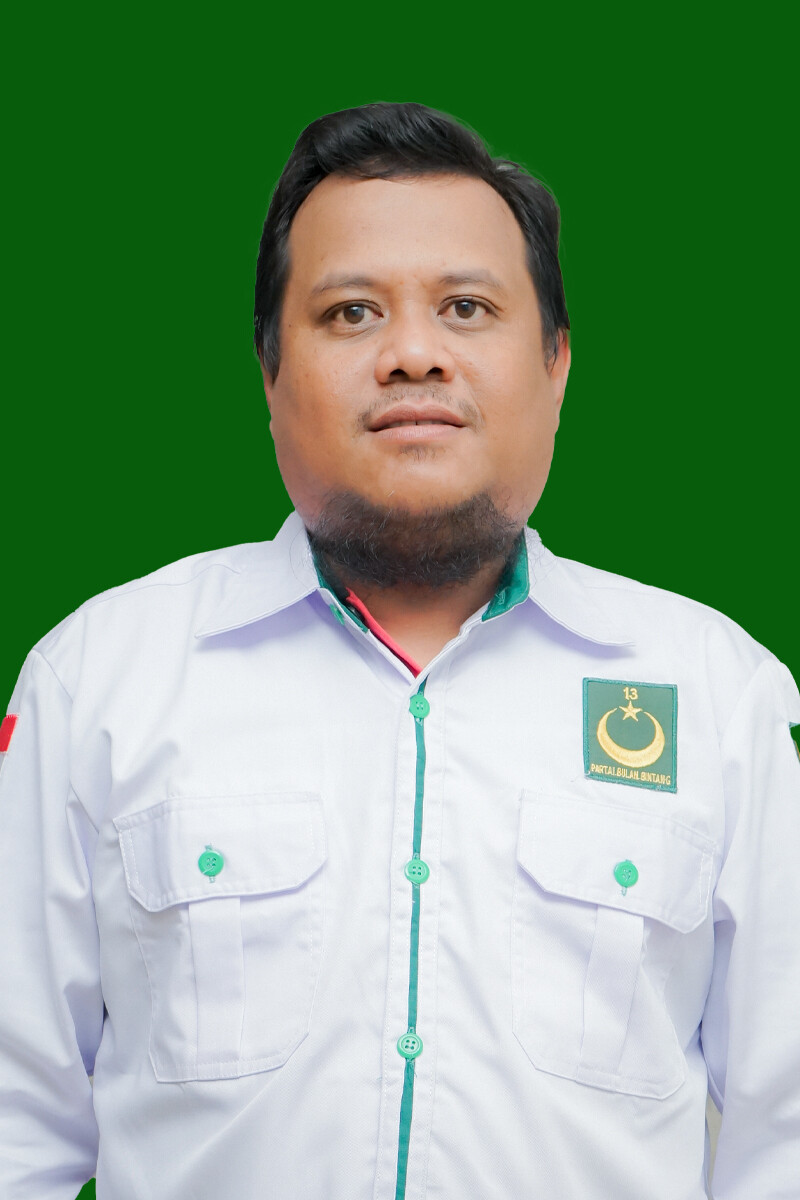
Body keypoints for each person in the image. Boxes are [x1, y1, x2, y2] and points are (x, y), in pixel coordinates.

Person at [0, 101, 797, 1200]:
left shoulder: (718, 693)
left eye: (467, 308)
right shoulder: (98, 679)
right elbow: (15, 1126)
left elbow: (783, 1133)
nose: (413, 354)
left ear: (556, 365)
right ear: (270, 374)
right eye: (351, 312)